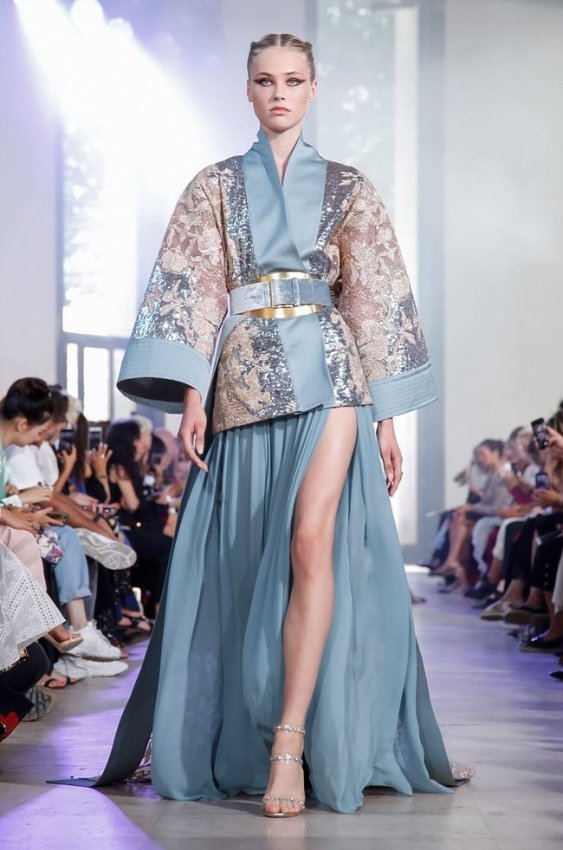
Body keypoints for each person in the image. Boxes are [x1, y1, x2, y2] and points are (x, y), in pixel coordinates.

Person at [57, 34, 471, 815]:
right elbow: (191, 288)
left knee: (311, 544)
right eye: (264, 80)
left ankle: (290, 743)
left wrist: (385, 417)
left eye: (292, 80)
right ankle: (249, 730)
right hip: (243, 379)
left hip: (335, 376)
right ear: (247, 90)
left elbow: (374, 296)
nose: (278, 92)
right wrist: (190, 393)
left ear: (312, 89)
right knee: (250, 556)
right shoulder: (213, 185)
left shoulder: (348, 187)